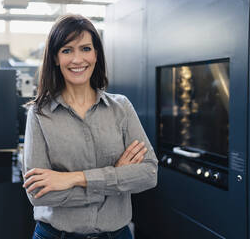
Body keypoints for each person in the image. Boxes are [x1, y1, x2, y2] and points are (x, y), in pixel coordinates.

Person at [22, 14, 158, 239]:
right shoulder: (39, 114)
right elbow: (38, 194)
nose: (77, 59)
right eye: (67, 50)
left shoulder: (121, 108)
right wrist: (115, 177)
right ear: (55, 58)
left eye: (85, 48)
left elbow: (149, 174)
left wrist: (72, 178)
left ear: (96, 54)